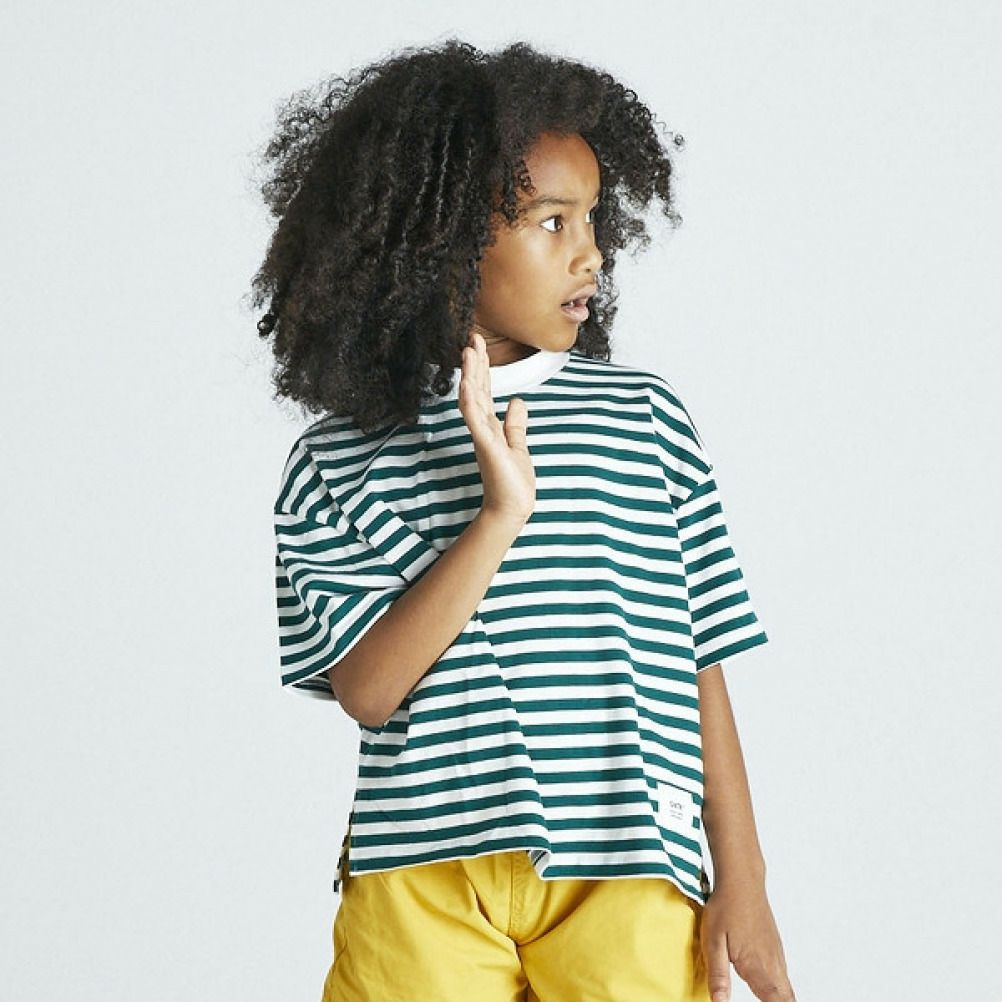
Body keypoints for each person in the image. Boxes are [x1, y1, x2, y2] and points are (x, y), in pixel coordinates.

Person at [252, 38, 797, 1002]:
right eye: (552, 221)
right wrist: (498, 516)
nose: (591, 252)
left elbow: (702, 660)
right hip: (421, 876)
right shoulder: (337, 461)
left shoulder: (643, 421)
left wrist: (743, 880)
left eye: (592, 219)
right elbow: (369, 692)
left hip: (628, 863)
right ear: (442, 242)